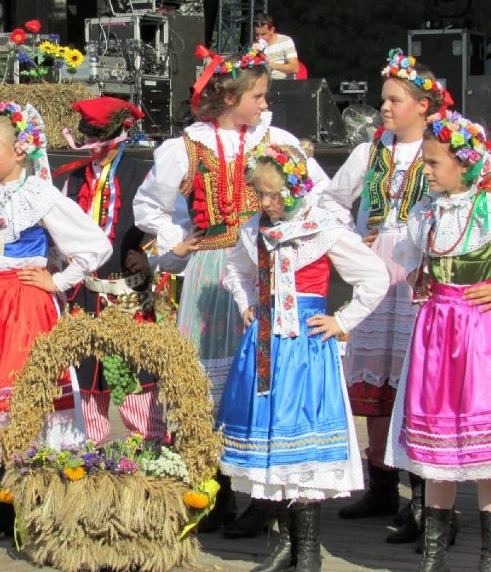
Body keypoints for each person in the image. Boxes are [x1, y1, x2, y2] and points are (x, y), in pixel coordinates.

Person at [133, 45, 329, 535]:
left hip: (265, 268)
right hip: (210, 274)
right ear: (229, 96)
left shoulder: (275, 140)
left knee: (259, 379)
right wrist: (181, 241)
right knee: (205, 385)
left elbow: (319, 196)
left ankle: (262, 500)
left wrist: (296, 234)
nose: (265, 105)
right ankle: (210, 490)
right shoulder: (185, 147)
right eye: (258, 95)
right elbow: (148, 208)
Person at [218, 142, 388, 572]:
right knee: (271, 440)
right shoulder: (255, 227)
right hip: (264, 348)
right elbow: (234, 270)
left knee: (302, 445)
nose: (270, 204)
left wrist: (341, 320)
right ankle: (282, 545)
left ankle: (307, 550)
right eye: (262, 194)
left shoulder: (321, 227)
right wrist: (246, 304)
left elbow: (374, 277)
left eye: (277, 194)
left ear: (296, 188)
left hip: (306, 350)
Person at [0, 102, 112, 544]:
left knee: (27, 399)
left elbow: (95, 246)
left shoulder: (41, 196)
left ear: (21, 151)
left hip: (27, 307)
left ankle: (31, 505)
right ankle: (1, 504)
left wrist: (56, 279)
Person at [318, 49, 449, 543]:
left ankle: (423, 496)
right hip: (376, 271)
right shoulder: (369, 152)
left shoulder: (443, 152)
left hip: (420, 271)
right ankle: (381, 487)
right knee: (379, 380)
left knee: (416, 378)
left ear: (422, 105)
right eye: (384, 100)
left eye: (394, 100)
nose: (385, 108)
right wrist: (352, 240)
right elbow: (329, 200)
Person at [385, 111, 491, 572]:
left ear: (464, 164)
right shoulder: (427, 210)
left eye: (432, 164)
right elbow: (409, 257)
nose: (425, 171)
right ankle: (434, 556)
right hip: (435, 333)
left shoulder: (485, 210)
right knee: (438, 450)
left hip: (479, 334)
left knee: (484, 451)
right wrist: (418, 275)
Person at [57, 97, 167, 444]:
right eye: (90, 144)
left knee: (138, 390)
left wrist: (152, 258)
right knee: (87, 391)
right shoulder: (72, 180)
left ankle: (151, 469)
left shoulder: (143, 174)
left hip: (128, 298)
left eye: (102, 144)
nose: (96, 151)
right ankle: (88, 472)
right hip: (84, 298)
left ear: (121, 136)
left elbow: (167, 226)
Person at [253, 14, 299, 80]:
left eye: (263, 34)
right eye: (257, 34)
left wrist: (272, 66)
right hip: (263, 84)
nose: (259, 37)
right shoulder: (255, 44)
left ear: (272, 30)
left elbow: (295, 68)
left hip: (283, 84)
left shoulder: (285, 41)